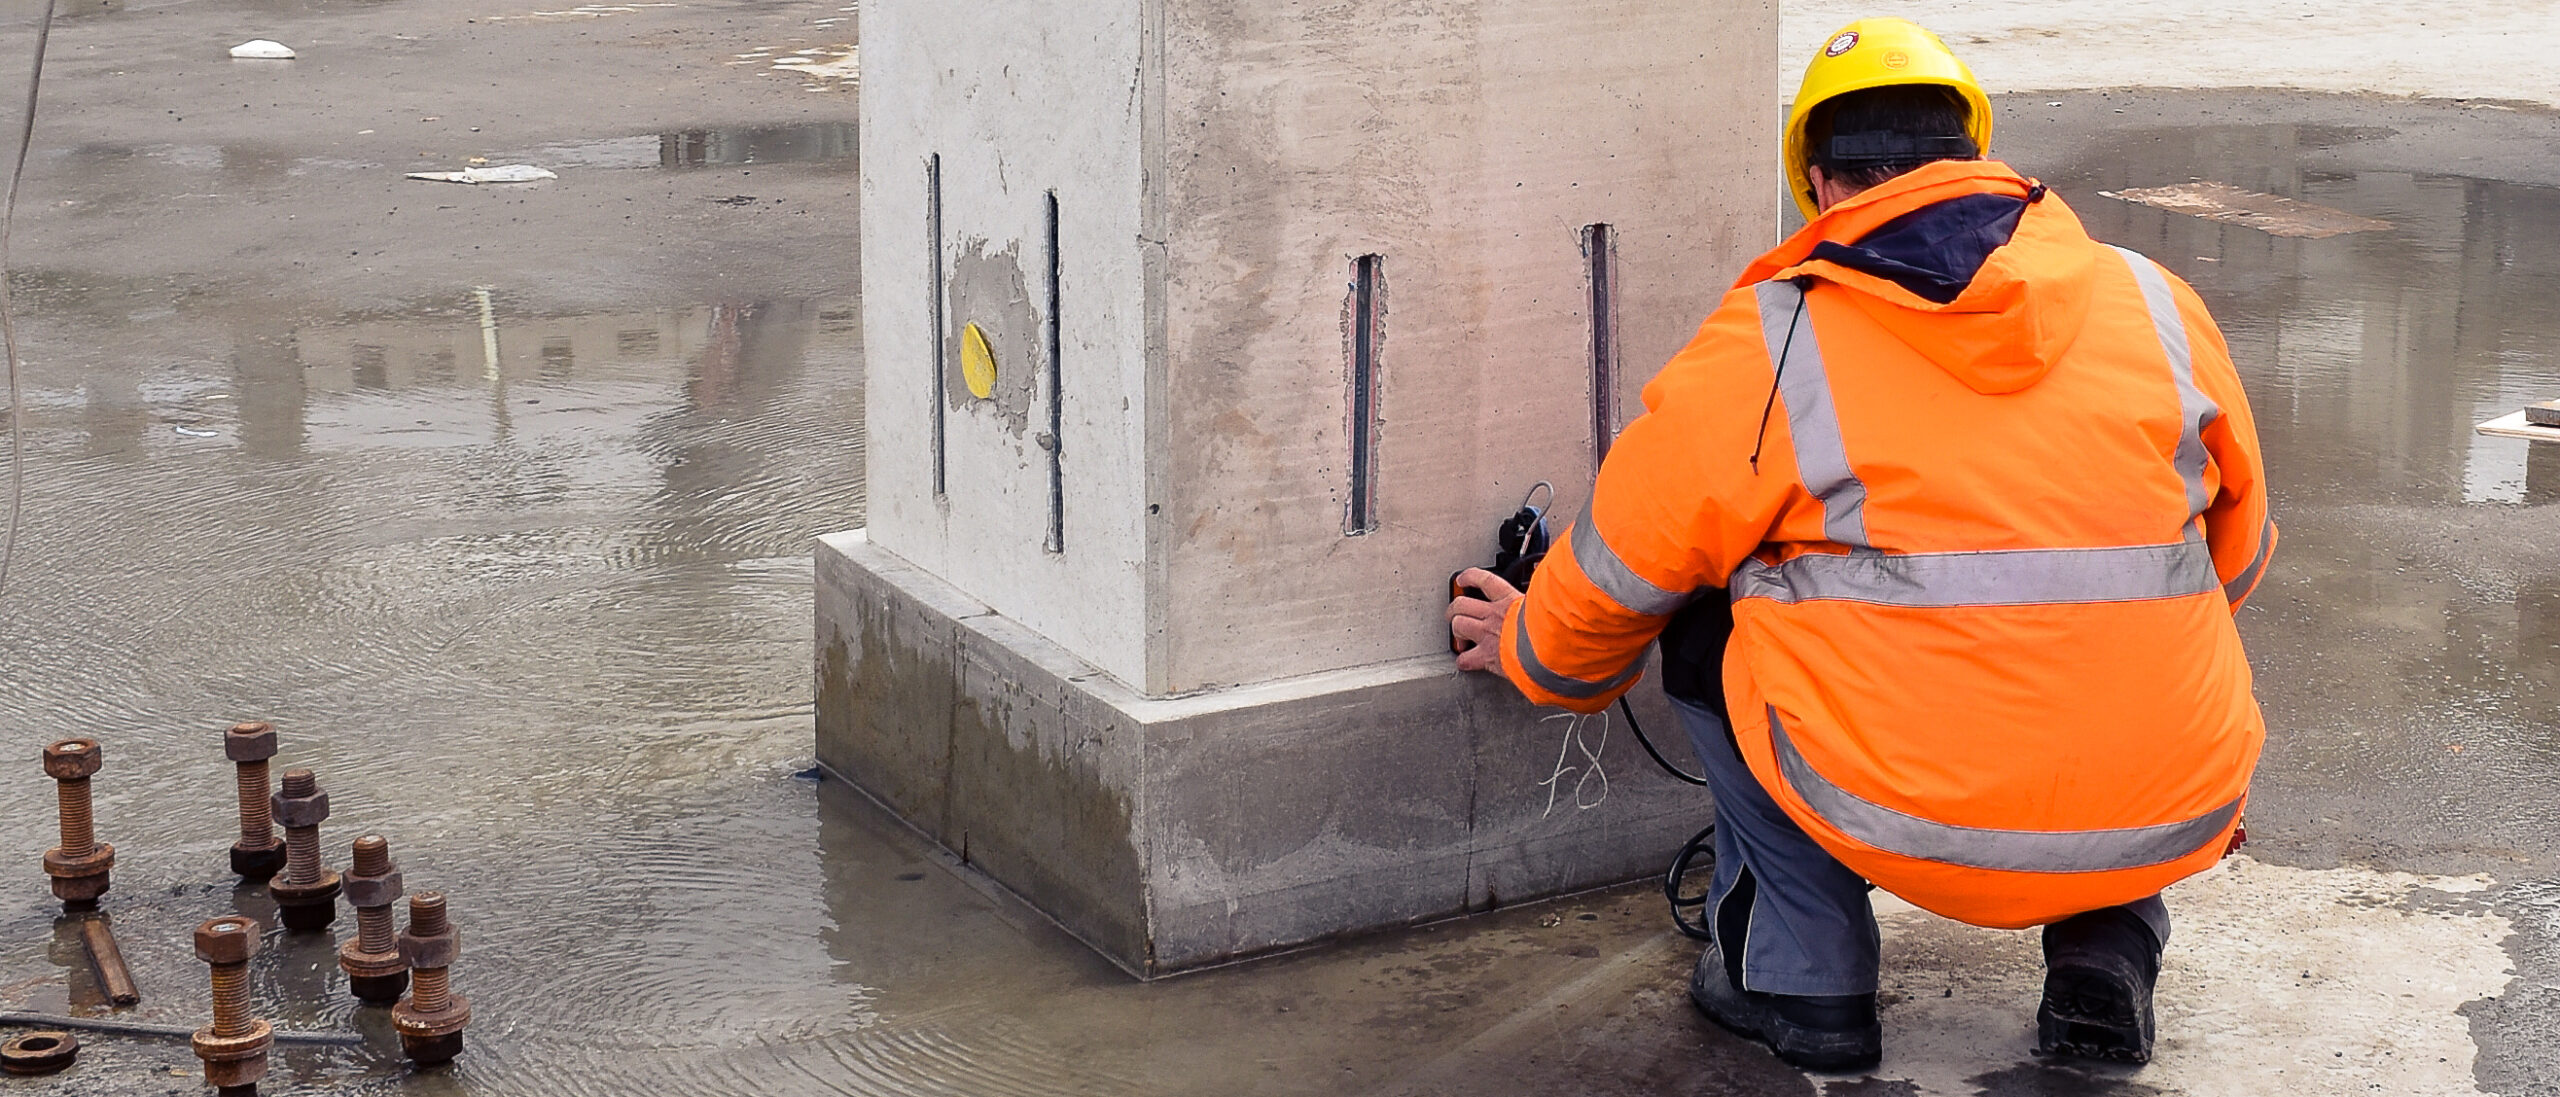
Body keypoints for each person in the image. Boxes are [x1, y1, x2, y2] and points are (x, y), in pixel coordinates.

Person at [1446, 17, 2274, 1073]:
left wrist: (1532, 650)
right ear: (1975, 155)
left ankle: (1803, 976)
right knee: (2120, 627)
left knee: (1703, 615)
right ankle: (2103, 946)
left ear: (1822, 186)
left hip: (1899, 810)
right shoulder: (2155, 301)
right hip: (2167, 802)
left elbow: (1624, 568)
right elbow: (2234, 557)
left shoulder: (1772, 336)